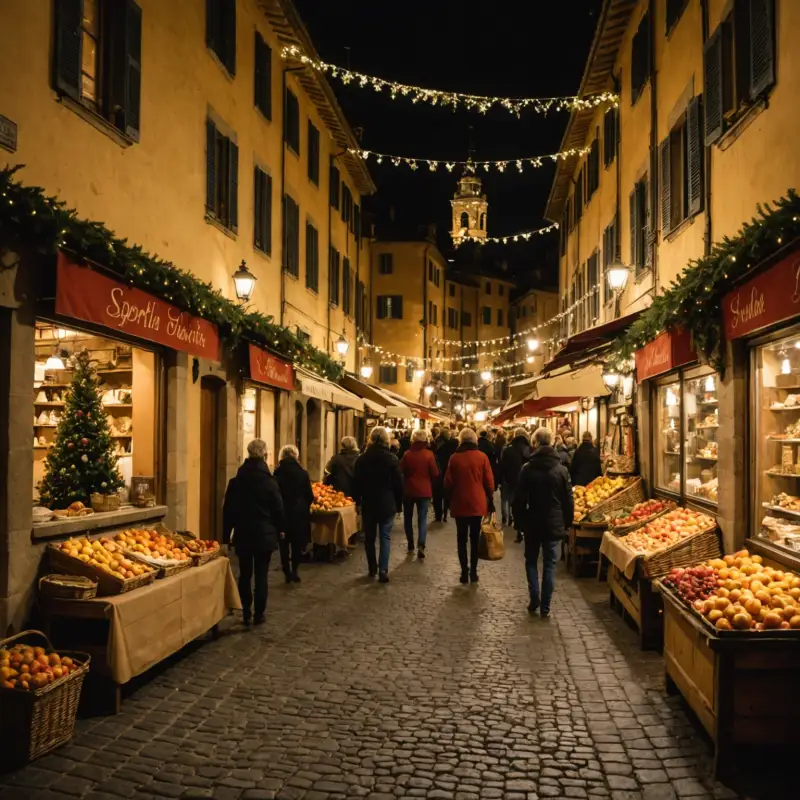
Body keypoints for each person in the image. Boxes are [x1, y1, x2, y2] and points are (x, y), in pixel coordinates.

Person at [222, 439, 285, 626]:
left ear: (248, 455)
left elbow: (228, 511)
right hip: (264, 534)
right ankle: (259, 613)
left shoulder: (236, 481)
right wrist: (281, 529)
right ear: (265, 456)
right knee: (261, 575)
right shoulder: (270, 482)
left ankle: (246, 611)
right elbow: (278, 508)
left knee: (245, 573)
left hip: (243, 534)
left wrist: (226, 537)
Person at [513, 427, 574, 618]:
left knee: (531, 561)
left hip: (532, 522)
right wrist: (567, 522)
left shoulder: (527, 469)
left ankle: (535, 598)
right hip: (554, 523)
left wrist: (519, 523)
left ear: (535, 443)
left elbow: (519, 499)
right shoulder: (562, 470)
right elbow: (568, 499)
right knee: (550, 565)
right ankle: (546, 606)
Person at [353, 426, 404, 583]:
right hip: (387, 503)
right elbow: (399, 484)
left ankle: (372, 568)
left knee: (369, 538)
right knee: (385, 537)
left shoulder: (362, 459)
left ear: (371, 439)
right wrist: (399, 504)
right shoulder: (392, 459)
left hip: (369, 502)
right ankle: (383, 570)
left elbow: (356, 483)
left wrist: (357, 502)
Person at [444, 427, 495, 584]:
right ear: (475, 441)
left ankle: (464, 571)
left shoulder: (454, 458)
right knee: (474, 538)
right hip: (477, 503)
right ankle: (473, 571)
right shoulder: (482, 457)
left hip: (460, 503)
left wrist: (448, 498)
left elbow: (448, 482)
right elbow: (489, 482)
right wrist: (490, 497)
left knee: (461, 539)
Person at [273, 444, 314, 584]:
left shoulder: (277, 473)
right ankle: (295, 570)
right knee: (297, 543)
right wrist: (304, 506)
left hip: (282, 512)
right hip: (299, 513)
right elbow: (310, 495)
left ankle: (286, 570)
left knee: (283, 544)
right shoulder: (303, 473)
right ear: (296, 456)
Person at [399, 429, 439, 558]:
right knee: (422, 519)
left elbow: (401, 470)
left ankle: (410, 543)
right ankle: (421, 545)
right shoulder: (429, 455)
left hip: (409, 490)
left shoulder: (407, 454)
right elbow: (435, 473)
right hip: (424, 491)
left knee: (408, 518)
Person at [500, 427, 531, 541]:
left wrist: (501, 479)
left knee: (512, 502)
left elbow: (502, 466)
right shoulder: (528, 449)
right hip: (525, 481)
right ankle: (522, 529)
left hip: (509, 480)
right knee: (524, 504)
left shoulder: (508, 449)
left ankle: (510, 520)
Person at [433, 428, 458, 522]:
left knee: (437, 495)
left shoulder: (436, 443)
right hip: (447, 470)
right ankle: (445, 514)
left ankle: (438, 514)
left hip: (437, 471)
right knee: (446, 493)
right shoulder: (451, 444)